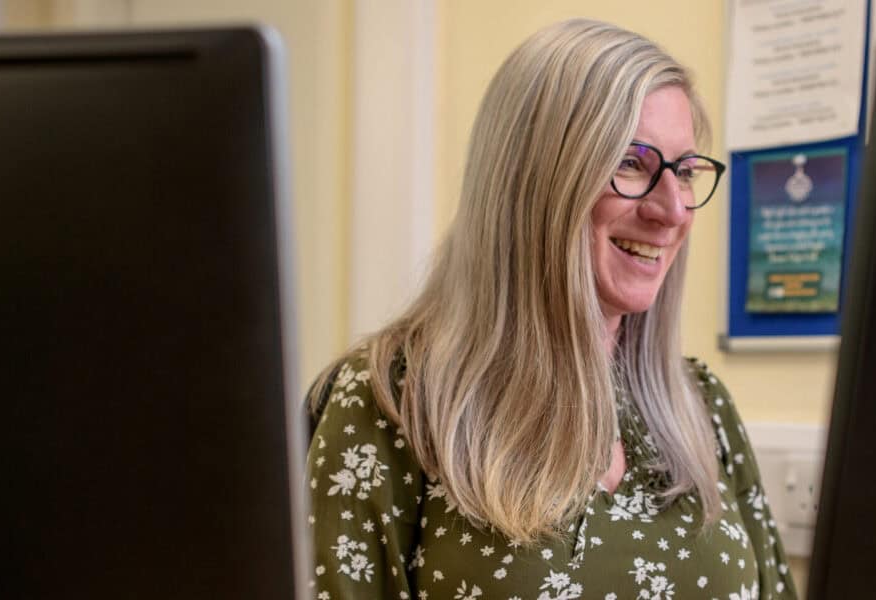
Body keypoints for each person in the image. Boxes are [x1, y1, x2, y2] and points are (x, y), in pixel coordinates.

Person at [306, 19, 798, 600]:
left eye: (686, 172)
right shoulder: (394, 396)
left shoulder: (702, 406)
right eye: (632, 162)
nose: (672, 210)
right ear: (535, 181)